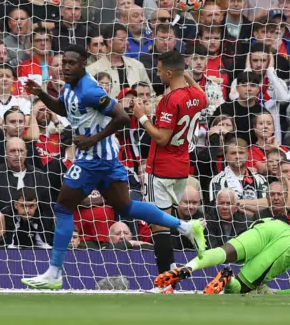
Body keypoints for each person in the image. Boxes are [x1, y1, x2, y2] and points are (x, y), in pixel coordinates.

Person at [20, 45, 206, 290]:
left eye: (72, 63)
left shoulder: (90, 90)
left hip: (94, 159)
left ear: (83, 64)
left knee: (63, 207)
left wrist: (92, 139)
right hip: (102, 157)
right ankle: (184, 226)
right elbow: (65, 109)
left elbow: (121, 117)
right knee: (125, 206)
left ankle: (54, 272)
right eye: (64, 62)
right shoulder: (70, 87)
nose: (65, 67)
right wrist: (41, 94)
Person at [131, 49, 208, 294]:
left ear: (168, 72)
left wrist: (142, 118)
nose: (157, 73)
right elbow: (201, 93)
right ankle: (171, 273)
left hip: (161, 167)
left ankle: (165, 283)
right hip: (182, 167)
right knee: (165, 220)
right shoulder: (197, 95)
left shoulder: (169, 100)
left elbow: (162, 138)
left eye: (159, 69)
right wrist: (186, 74)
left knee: (158, 225)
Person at [153, 217, 290, 295]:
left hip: (262, 228)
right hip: (287, 245)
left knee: (223, 252)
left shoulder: (269, 220)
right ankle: (228, 278)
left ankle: (188, 267)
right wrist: (275, 293)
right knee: (241, 289)